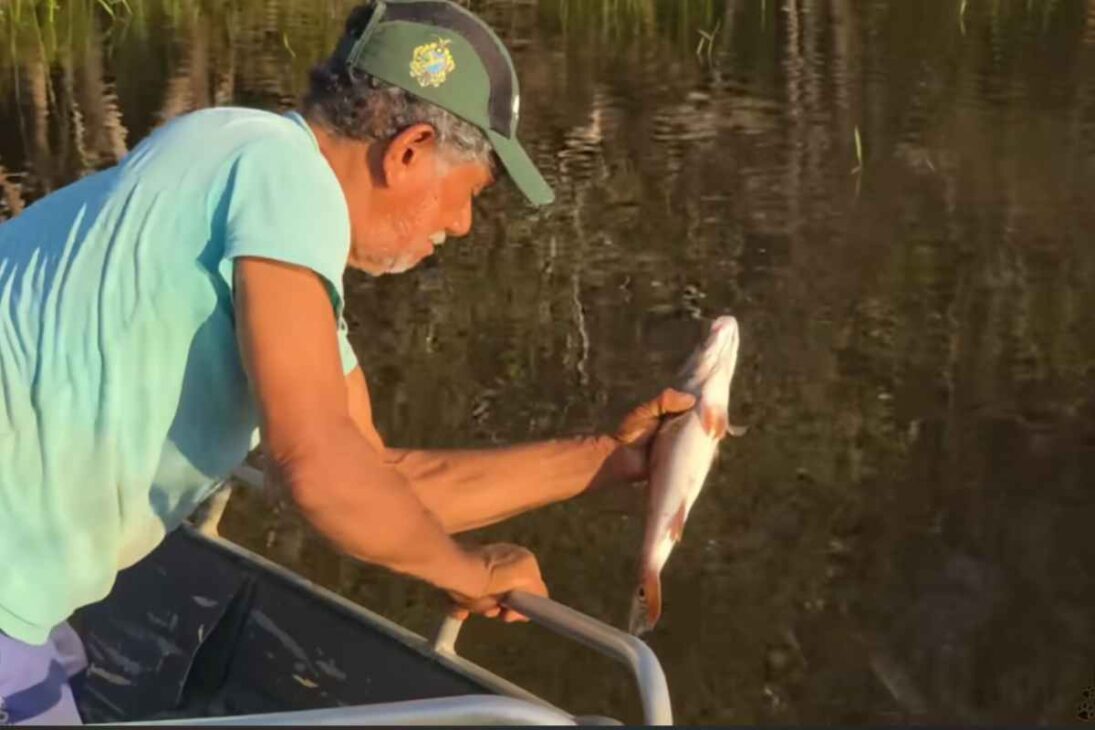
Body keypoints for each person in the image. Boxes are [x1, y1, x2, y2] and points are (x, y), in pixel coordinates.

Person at [0, 0, 694, 723]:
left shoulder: (243, 179)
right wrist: (462, 570)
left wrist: (609, 458)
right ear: (410, 150)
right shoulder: (281, 176)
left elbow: (373, 473)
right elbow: (318, 468)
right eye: (471, 193)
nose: (460, 225)